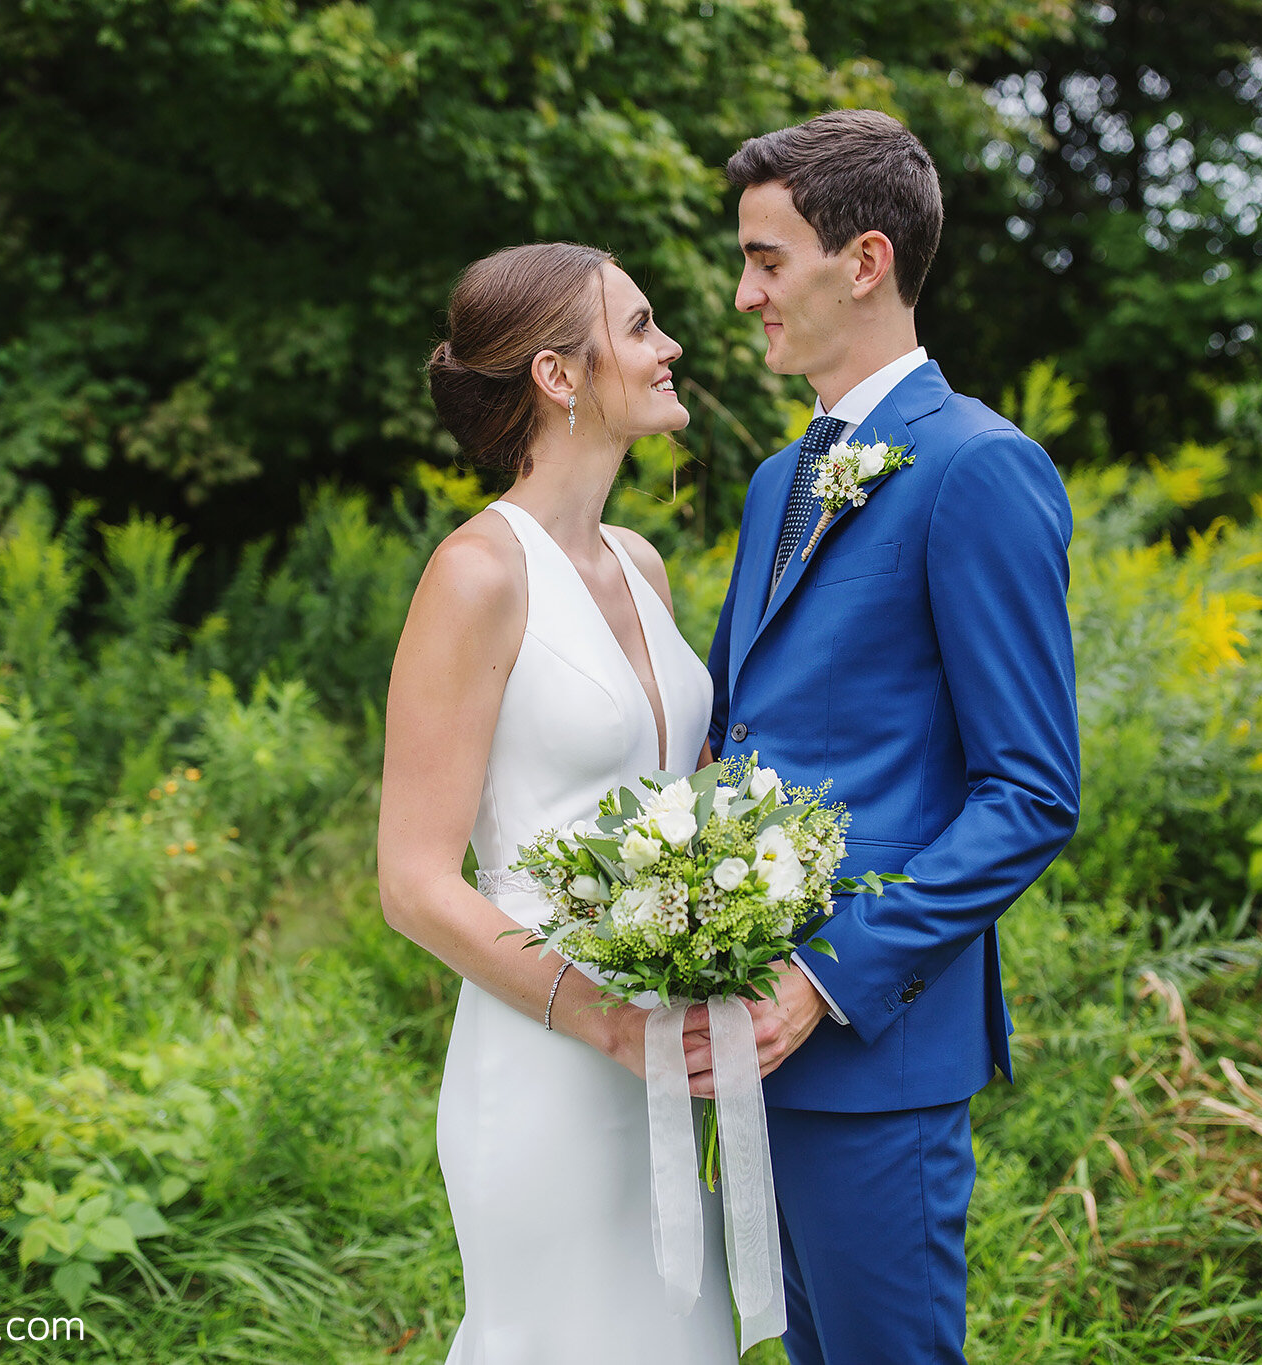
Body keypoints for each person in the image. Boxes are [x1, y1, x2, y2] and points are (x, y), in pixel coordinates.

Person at [697, 109, 1082, 1364]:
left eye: (766, 259)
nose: (743, 291)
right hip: (750, 1038)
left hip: (872, 1042)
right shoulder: (775, 482)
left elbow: (1027, 791)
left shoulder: (978, 467)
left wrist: (822, 978)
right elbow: (744, 731)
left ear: (862, 261)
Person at [378, 242, 739, 1363]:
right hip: (546, 1058)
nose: (669, 343)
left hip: (664, 1053)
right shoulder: (477, 575)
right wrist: (599, 1018)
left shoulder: (639, 562)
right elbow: (412, 881)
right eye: (637, 326)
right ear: (557, 375)